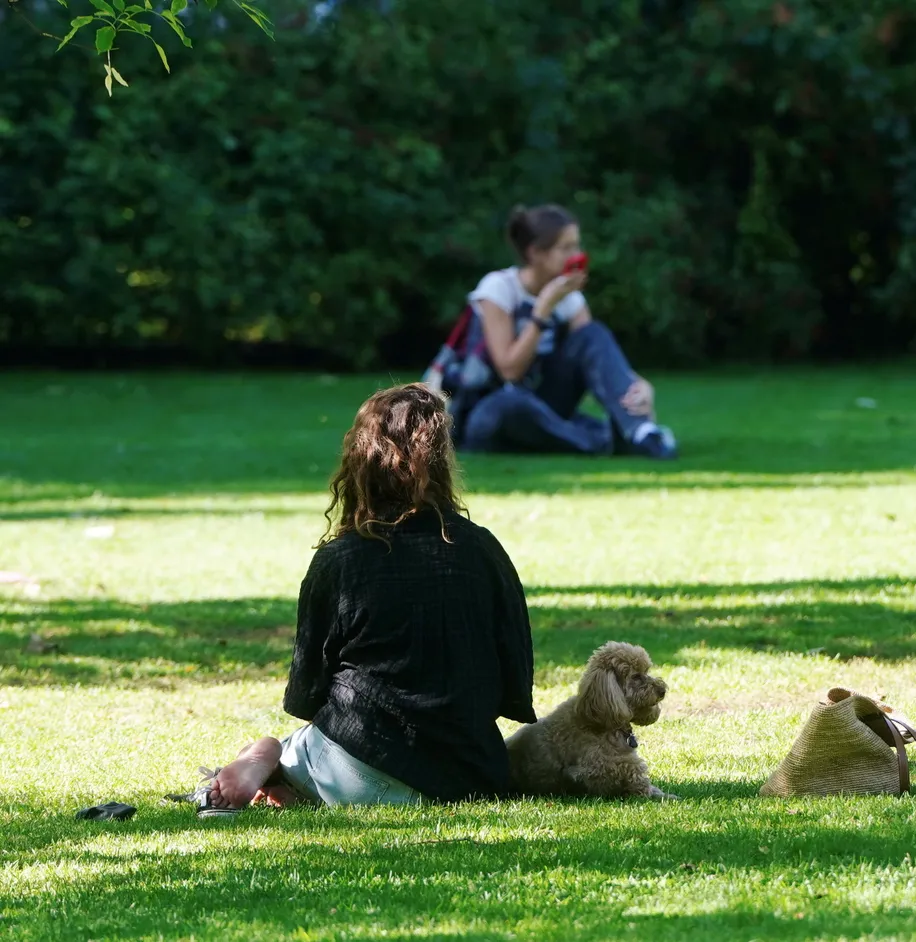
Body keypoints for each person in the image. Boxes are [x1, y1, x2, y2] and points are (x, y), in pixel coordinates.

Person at [175, 383, 537, 814]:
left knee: (304, 745)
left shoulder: (341, 559)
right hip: (470, 776)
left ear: (361, 461)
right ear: (441, 463)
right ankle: (285, 768)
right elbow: (515, 683)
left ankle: (272, 759)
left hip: (357, 770)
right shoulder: (483, 550)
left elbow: (306, 694)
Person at [438, 203, 678, 459]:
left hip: (544, 403)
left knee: (593, 332)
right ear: (535, 253)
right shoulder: (498, 289)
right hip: (486, 411)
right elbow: (509, 371)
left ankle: (640, 431)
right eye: (566, 248)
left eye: (577, 246)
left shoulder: (569, 299)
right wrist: (542, 310)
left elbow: (597, 352)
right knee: (510, 405)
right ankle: (606, 441)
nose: (576, 255)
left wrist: (637, 384)